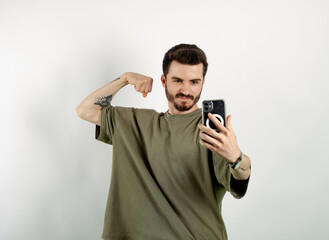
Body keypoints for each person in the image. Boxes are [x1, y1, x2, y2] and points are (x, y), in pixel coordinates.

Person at [76, 44, 251, 240]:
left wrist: (236, 158)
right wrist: (124, 79)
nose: (186, 89)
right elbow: (86, 110)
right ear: (163, 80)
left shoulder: (210, 131)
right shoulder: (137, 123)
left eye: (194, 82)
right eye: (178, 80)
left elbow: (239, 183)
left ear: (202, 83)